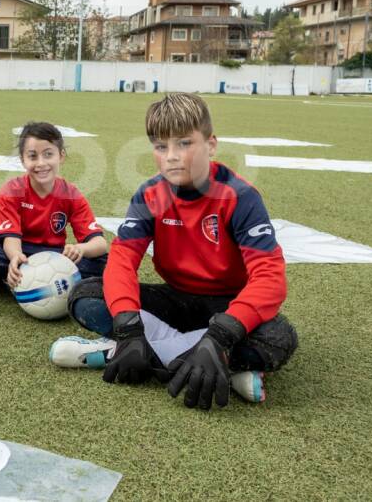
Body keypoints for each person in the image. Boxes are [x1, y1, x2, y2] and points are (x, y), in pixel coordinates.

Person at [63, 93, 298, 409]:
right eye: (161, 147)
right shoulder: (149, 194)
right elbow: (121, 261)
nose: (171, 156)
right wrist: (129, 329)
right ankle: (218, 365)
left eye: (184, 143)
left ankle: (132, 354)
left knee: (279, 336)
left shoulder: (240, 196)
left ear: (211, 145)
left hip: (227, 304)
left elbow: (270, 279)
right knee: (85, 295)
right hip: (176, 298)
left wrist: (220, 336)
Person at [0, 121, 108, 291]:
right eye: (32, 156)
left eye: (48, 154)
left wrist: (80, 248)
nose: (41, 163)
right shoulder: (12, 190)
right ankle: (40, 279)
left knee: (107, 263)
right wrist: (15, 257)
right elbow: (11, 239)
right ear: (22, 160)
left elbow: (99, 243)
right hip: (21, 251)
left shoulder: (71, 194)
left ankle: (21, 280)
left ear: (61, 156)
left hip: (55, 256)